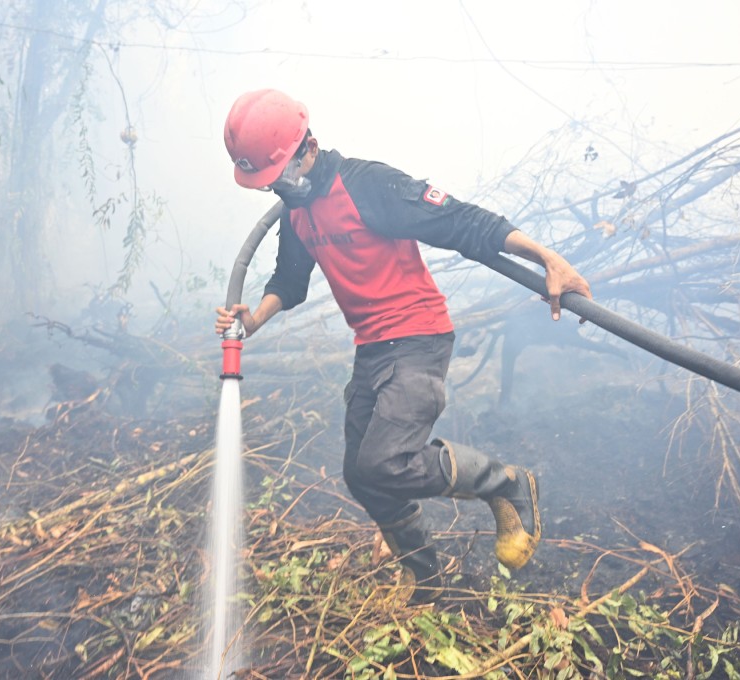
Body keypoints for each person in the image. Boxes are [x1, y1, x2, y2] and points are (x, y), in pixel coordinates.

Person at [215, 89, 593, 604]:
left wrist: (547, 257)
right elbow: (290, 278)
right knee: (362, 474)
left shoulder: (368, 186)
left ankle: (507, 485)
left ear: (307, 148)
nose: (274, 190)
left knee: (384, 462)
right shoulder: (296, 213)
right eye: (265, 183)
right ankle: (426, 578)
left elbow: (463, 221)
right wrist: (254, 318)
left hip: (418, 338)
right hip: (372, 347)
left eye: (277, 176)